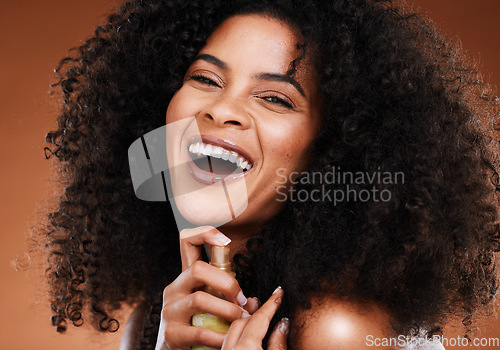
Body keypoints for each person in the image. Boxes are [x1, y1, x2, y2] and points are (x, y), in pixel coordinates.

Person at [42, 0, 500, 349]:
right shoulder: (159, 316)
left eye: (275, 99)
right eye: (205, 79)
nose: (222, 110)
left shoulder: (337, 329)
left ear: (331, 153)